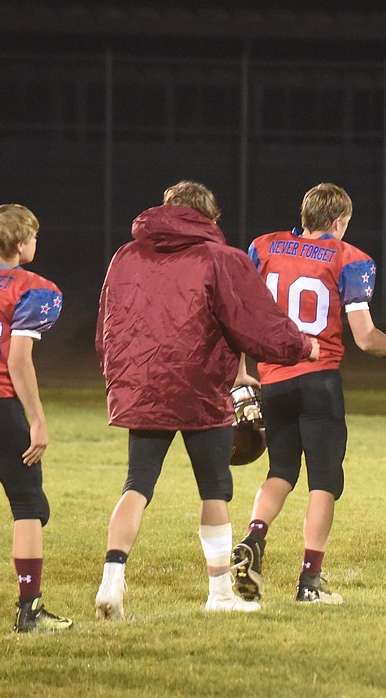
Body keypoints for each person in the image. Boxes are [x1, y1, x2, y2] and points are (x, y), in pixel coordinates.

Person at [94, 181, 317, 618]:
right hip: (201, 386)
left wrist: (122, 376)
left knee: (136, 485)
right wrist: (300, 346)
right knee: (214, 490)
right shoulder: (221, 258)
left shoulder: (127, 254)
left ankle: (111, 584)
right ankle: (219, 595)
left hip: (145, 386)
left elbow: (109, 323)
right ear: (209, 218)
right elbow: (255, 323)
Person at [230, 183, 386, 605]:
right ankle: (309, 581)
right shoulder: (349, 259)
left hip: (273, 379)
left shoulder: (265, 247)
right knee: (324, 482)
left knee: (280, 471)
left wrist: (240, 370)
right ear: (339, 222)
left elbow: (243, 315)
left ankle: (253, 538)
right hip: (319, 379)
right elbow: (366, 338)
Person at [0, 205, 72, 632]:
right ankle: (29, 610)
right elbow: (18, 361)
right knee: (26, 506)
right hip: (1, 410)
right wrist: (37, 419)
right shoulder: (32, 288)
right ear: (22, 244)